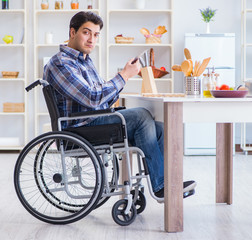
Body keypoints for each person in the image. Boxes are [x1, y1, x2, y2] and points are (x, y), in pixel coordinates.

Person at [43, 11, 196, 199]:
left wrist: (123, 77)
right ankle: (161, 186)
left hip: (93, 122)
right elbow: (92, 98)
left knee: (159, 128)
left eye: (96, 35)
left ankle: (167, 182)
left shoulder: (84, 61)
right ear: (72, 32)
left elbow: (101, 98)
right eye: (86, 32)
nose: (92, 39)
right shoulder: (61, 63)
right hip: (79, 129)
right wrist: (124, 75)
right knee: (141, 116)